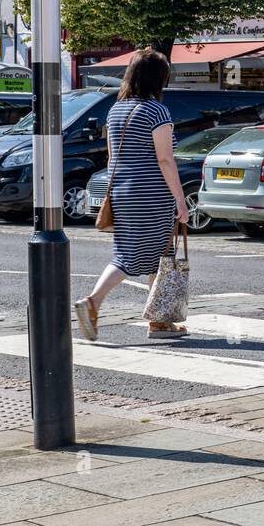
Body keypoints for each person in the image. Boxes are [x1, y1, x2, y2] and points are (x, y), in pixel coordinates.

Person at [74, 49, 190, 341]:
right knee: (162, 254)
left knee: (128, 254)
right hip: (152, 193)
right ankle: (142, 317)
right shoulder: (156, 111)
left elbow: (113, 156)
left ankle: (154, 318)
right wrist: (180, 200)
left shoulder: (117, 109)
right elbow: (165, 159)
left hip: (123, 191)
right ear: (158, 79)